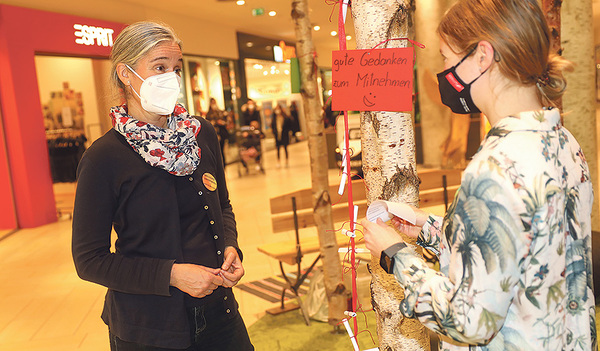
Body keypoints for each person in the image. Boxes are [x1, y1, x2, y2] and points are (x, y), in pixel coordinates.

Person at [361, 1, 596, 350]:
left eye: (445, 57)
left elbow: (469, 321)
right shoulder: (563, 142)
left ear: (482, 57)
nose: (443, 71)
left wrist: (394, 253)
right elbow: (516, 245)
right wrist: (429, 228)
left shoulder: (494, 167)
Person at [71, 21, 254, 351]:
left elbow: (222, 206)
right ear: (126, 74)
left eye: (176, 68)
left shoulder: (200, 135)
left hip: (220, 315)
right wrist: (172, 274)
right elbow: (89, 260)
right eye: (159, 67)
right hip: (149, 329)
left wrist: (230, 246)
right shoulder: (104, 157)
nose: (172, 78)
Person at [205, 98, 229, 167]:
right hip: (214, 135)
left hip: (222, 134)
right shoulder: (209, 114)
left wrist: (222, 123)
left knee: (222, 150)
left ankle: (223, 165)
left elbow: (226, 122)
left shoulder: (220, 112)